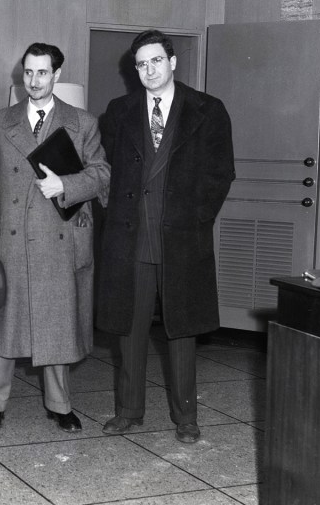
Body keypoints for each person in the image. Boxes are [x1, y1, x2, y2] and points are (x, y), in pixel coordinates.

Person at [96, 29, 235, 444]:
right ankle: (129, 410)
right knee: (130, 328)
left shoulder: (208, 110)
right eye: (141, 64)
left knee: (182, 330)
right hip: (131, 239)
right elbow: (105, 171)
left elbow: (220, 174)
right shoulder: (119, 111)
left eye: (156, 61)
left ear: (173, 62)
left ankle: (186, 417)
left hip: (180, 239)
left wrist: (193, 220)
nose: (149, 70)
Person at [0, 42, 110, 433]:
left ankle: (60, 404)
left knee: (57, 326)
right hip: (10, 241)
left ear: (57, 75)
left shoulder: (82, 122)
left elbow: (102, 176)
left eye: (42, 73)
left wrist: (63, 184)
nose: (33, 81)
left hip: (59, 239)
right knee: (5, 326)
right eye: (27, 73)